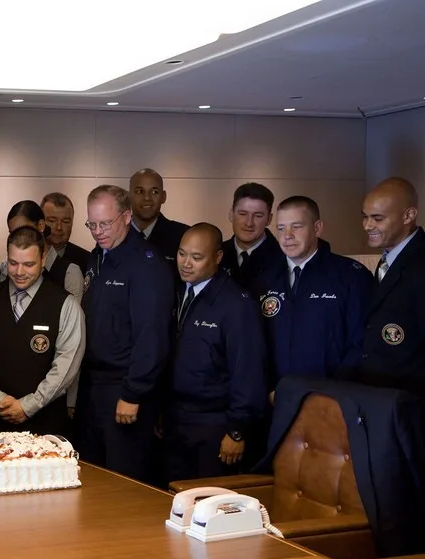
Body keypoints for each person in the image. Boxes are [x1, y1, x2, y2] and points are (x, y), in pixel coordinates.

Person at [75, 185, 174, 483]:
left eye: (105, 223)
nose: (97, 231)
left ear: (127, 216)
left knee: (122, 480)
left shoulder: (146, 266)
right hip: (93, 387)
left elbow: (152, 338)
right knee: (92, 474)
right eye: (92, 224)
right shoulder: (98, 257)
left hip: (125, 388)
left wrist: (133, 393)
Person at [164, 223, 267, 482]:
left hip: (216, 424)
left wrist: (237, 431)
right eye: (182, 254)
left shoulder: (236, 305)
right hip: (176, 418)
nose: (186, 263)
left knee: (210, 505)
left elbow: (248, 372)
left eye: (196, 257)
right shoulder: (174, 291)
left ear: (218, 257)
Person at [0, 227, 84, 436]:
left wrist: (29, 405)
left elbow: (66, 365)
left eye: (28, 264)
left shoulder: (66, 304)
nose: (19, 272)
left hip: (46, 425)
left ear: (43, 258)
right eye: (13, 263)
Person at [252, 196, 372, 387]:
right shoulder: (263, 280)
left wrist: (333, 393)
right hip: (276, 400)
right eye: (281, 228)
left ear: (317, 228)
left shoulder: (351, 276)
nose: (287, 235)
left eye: (296, 226)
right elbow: (253, 346)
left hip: (330, 401)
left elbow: (361, 345)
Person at [359, 177, 425, 394]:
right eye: (365, 217)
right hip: (381, 398)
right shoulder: (389, 259)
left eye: (377, 218)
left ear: (408, 215)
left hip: (410, 402)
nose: (368, 226)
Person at [5, 200, 84, 303]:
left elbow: (71, 315)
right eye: (13, 233)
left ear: (41, 225)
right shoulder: (6, 268)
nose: (19, 237)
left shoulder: (69, 273)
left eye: (24, 230)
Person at [221, 182, 285, 294]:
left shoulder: (285, 258)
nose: (249, 223)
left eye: (258, 216)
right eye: (242, 214)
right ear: (231, 214)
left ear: (269, 219)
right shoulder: (216, 254)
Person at [128, 168, 190, 269]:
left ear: (163, 197)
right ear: (129, 196)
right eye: (140, 191)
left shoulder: (184, 236)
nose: (147, 198)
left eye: (154, 192)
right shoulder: (114, 235)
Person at [41, 191, 90, 271]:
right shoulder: (25, 255)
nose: (59, 227)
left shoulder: (87, 261)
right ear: (41, 223)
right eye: (52, 221)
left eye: (65, 221)